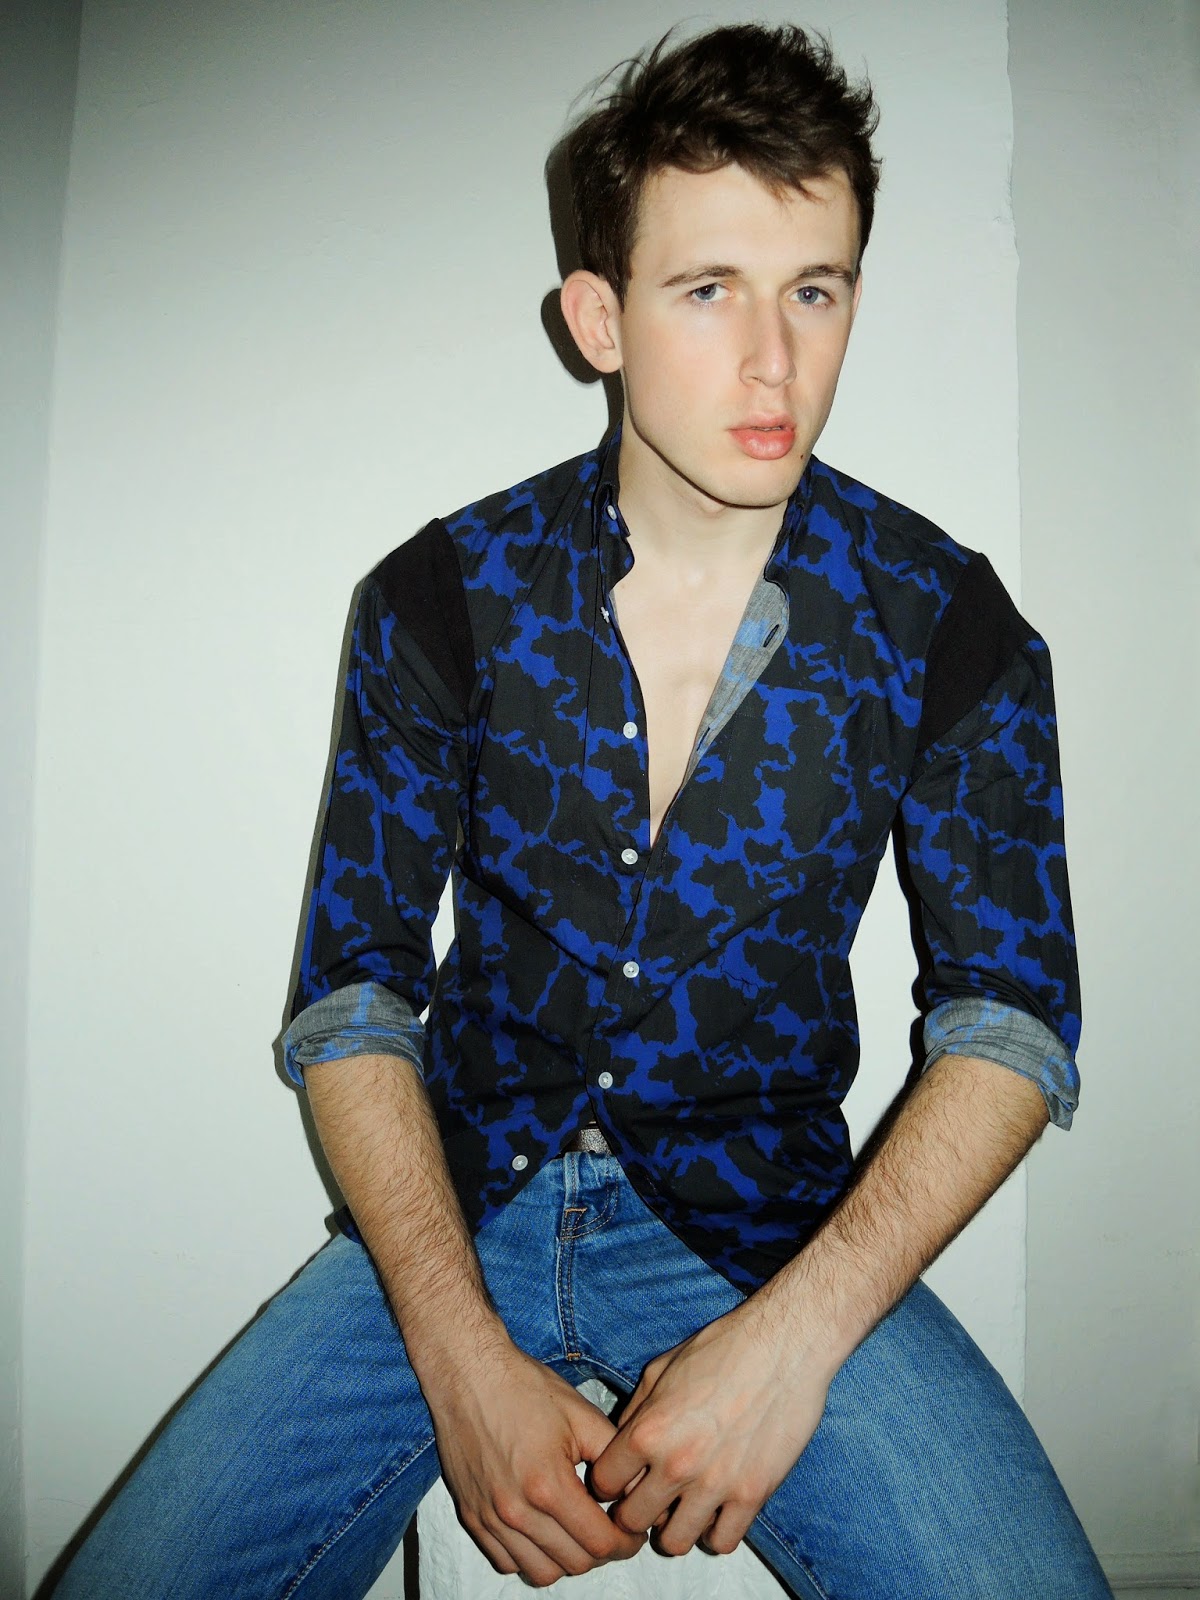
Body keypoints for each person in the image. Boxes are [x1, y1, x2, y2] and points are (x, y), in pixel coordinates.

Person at [55, 22, 1113, 1600]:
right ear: (598, 318)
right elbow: (352, 996)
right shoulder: (441, 595)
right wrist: (458, 1360)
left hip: (767, 1234)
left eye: (815, 290)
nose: (775, 361)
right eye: (710, 290)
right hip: (453, 1214)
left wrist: (791, 1348)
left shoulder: (944, 625)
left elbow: (1010, 1022)